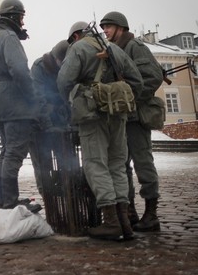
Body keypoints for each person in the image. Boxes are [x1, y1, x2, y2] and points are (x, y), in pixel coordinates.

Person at [58, 22, 143, 241]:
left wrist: (75, 97)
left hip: (91, 115)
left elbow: (63, 81)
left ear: (76, 35)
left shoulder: (78, 48)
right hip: (118, 114)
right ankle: (125, 222)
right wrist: (117, 94)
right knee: (117, 164)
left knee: (95, 163)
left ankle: (111, 222)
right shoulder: (114, 48)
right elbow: (137, 81)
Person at [99, 11, 165, 232]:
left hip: (136, 117)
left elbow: (153, 76)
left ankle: (151, 213)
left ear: (121, 28)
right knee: (122, 166)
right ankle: (130, 212)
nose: (105, 31)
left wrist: (131, 98)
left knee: (143, 163)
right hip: (121, 118)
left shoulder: (135, 47)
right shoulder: (113, 51)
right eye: (104, 27)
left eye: (109, 26)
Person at [0, 0, 41, 211]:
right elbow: (19, 71)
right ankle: (9, 201)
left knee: (7, 151)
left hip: (0, 99)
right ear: (14, 17)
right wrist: (31, 96)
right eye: (22, 17)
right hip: (15, 103)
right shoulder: (9, 38)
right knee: (15, 153)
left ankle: (3, 199)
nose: (23, 23)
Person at [29, 39, 71, 198]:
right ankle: (48, 197)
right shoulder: (39, 68)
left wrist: (68, 122)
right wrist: (48, 126)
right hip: (39, 127)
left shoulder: (66, 69)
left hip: (60, 125)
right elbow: (38, 100)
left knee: (66, 163)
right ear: (56, 59)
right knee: (43, 166)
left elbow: (67, 97)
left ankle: (66, 192)